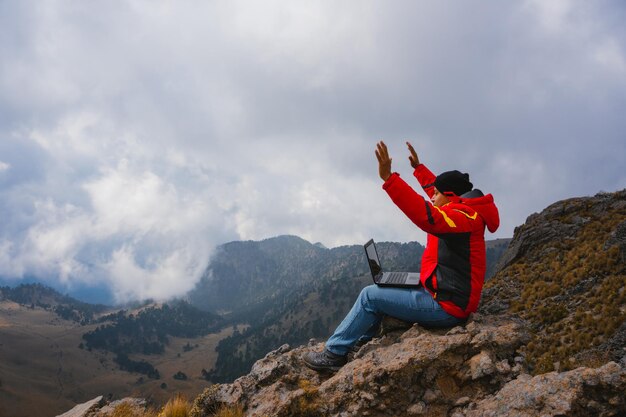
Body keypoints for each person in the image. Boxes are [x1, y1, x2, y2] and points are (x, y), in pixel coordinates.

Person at [303, 141, 500, 372]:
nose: (431, 197)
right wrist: (419, 169)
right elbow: (437, 191)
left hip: (448, 307)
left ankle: (333, 356)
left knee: (369, 297)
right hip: (442, 292)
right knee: (383, 289)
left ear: (450, 196)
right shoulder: (462, 207)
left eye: (436, 194)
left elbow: (426, 215)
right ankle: (360, 343)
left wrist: (389, 179)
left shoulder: (462, 218)